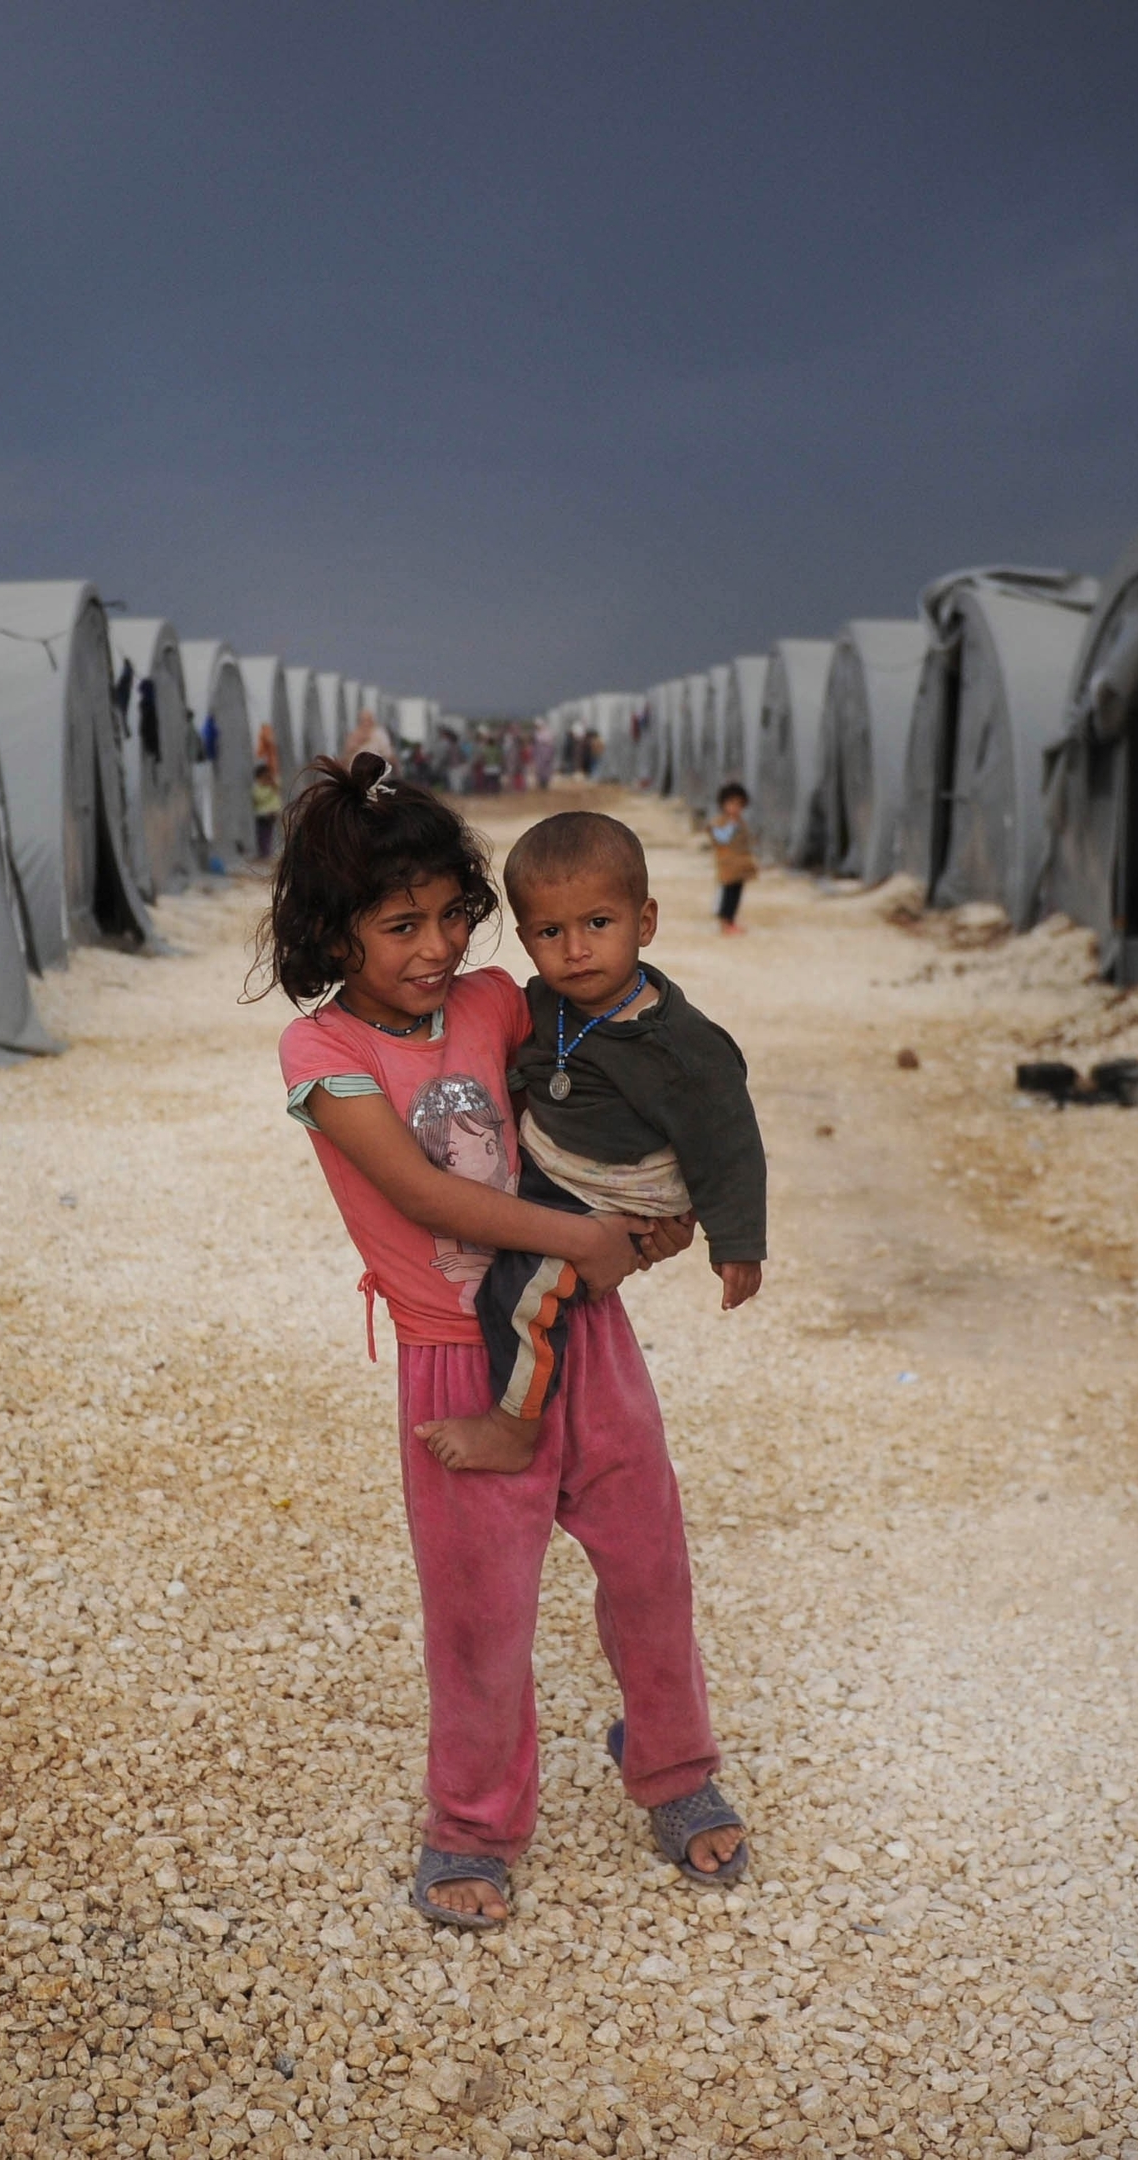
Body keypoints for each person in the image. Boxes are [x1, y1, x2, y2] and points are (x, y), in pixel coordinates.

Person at [266, 753, 751, 1929]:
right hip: (457, 1358)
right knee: (481, 1611)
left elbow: (634, 1043)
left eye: (451, 917)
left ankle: (676, 1770)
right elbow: (426, 1199)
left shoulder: (498, 1005)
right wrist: (587, 1236)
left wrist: (669, 1204)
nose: (437, 949)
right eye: (399, 927)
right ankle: (473, 1824)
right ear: (336, 939)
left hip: (588, 1337)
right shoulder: (324, 1058)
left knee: (648, 1563)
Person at [414, 811, 762, 1462]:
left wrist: (735, 1240)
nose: (576, 949)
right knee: (506, 1257)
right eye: (551, 932)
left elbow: (729, 1140)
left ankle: (514, 1430)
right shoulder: (548, 1004)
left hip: (610, 1191)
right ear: (526, 938)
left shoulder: (677, 1044)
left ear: (645, 922)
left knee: (519, 1294)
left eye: (598, 924)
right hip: (559, 1172)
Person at [707, 781, 757, 935]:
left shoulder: (741, 823)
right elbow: (722, 838)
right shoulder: (719, 822)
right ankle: (724, 922)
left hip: (740, 868)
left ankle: (731, 922)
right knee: (727, 895)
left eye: (739, 804)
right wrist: (732, 826)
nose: (735, 808)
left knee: (736, 895)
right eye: (732, 803)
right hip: (727, 866)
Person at [251, 761, 282, 860]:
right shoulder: (257, 787)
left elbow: (279, 785)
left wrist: (272, 783)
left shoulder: (271, 785)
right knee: (262, 833)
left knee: (270, 832)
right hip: (262, 814)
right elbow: (259, 798)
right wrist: (270, 790)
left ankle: (268, 852)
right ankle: (263, 852)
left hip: (272, 813)